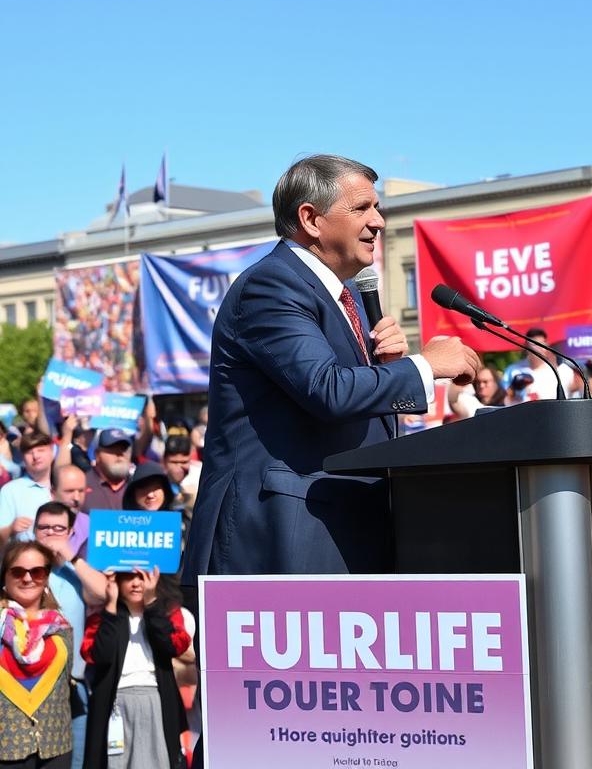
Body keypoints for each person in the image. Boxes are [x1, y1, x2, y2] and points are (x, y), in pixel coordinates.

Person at [183, 154, 480, 580]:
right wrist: (425, 365)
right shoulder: (271, 285)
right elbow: (328, 391)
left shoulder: (348, 298)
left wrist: (384, 367)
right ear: (311, 219)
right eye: (361, 208)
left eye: (377, 208)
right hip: (280, 539)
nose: (378, 221)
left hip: (343, 530)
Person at [82, 568, 191, 769]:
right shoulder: (103, 615)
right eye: (128, 577)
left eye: (142, 576)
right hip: (115, 702)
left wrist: (151, 604)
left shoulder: (167, 613)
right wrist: (110, 606)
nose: (135, 583)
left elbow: (174, 645)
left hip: (155, 699)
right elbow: (99, 655)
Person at [34, 502, 106, 769]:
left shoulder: (78, 569)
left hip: (73, 687)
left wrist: (71, 556)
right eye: (44, 528)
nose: (51, 533)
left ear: (70, 532)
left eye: (58, 528)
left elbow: (103, 593)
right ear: (34, 529)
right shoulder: (23, 569)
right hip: (29, 687)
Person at [0, 540, 74, 768]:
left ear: (47, 578)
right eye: (18, 571)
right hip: (6, 748)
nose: (28, 578)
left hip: (55, 746)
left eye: (37, 572)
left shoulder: (62, 628)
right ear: (4, 578)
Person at [0, 430, 56, 545]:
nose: (35, 456)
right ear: (23, 458)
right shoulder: (10, 490)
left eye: (41, 450)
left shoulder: (65, 484)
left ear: (51, 452)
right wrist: (11, 529)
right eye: (29, 452)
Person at [80, 429, 135, 513]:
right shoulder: (81, 484)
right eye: (112, 448)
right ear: (97, 455)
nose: (119, 454)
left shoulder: (138, 486)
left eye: (124, 449)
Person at [50, 465, 89, 561]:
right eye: (69, 491)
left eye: (81, 491)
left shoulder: (91, 525)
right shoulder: (40, 526)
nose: (76, 498)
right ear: (53, 493)